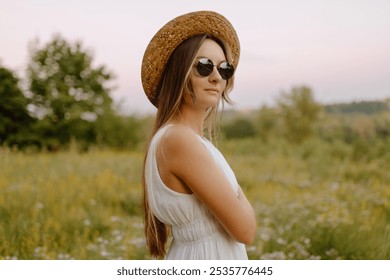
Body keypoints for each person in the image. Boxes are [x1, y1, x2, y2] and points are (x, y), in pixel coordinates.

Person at [141, 10, 256, 260]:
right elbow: (245, 230)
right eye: (204, 66)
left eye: (224, 69)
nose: (216, 77)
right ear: (178, 73)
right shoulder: (178, 140)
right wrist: (236, 193)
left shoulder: (191, 140)